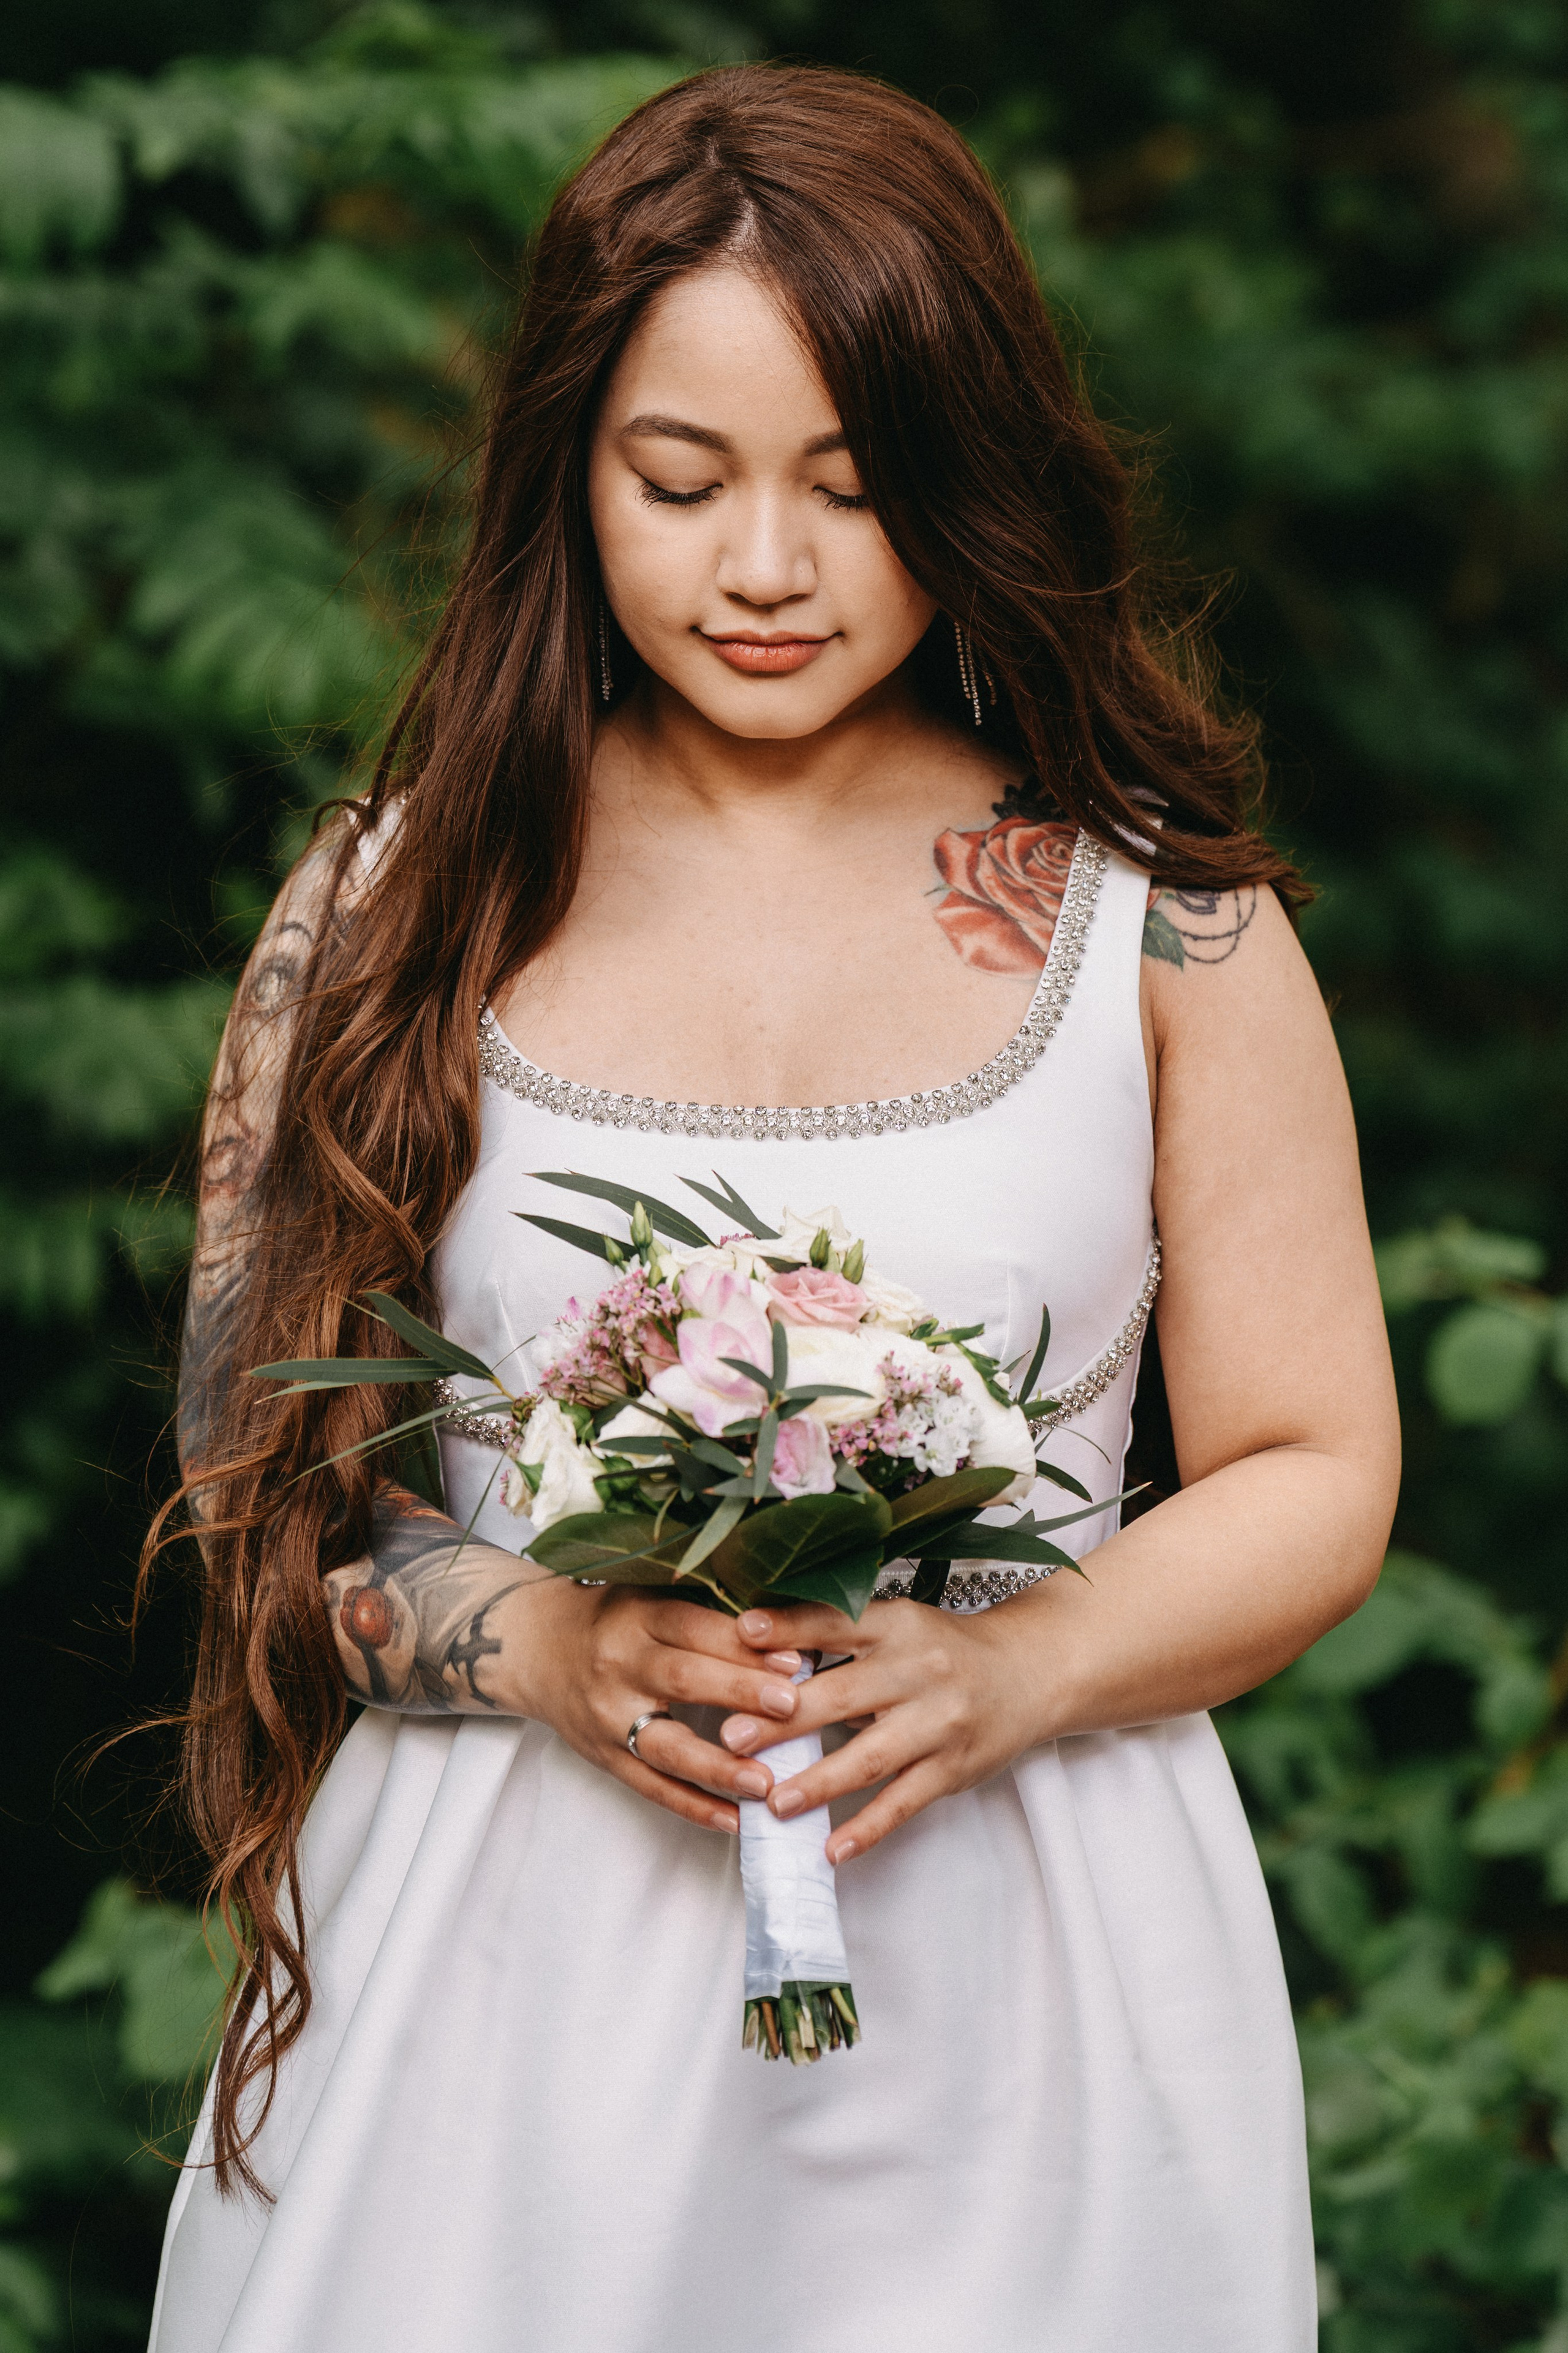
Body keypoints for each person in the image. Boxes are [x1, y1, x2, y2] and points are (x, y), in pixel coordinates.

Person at [146, 60, 1400, 2353]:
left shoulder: (1167, 924)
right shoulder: (390, 905)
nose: (763, 567)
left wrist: (1011, 1668)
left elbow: (1316, 1468)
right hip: (508, 1980)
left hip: (1035, 1968)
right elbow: (269, 1490)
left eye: (854, 484)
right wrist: (550, 1643)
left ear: (966, 478)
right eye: (680, 476)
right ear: (568, 471)